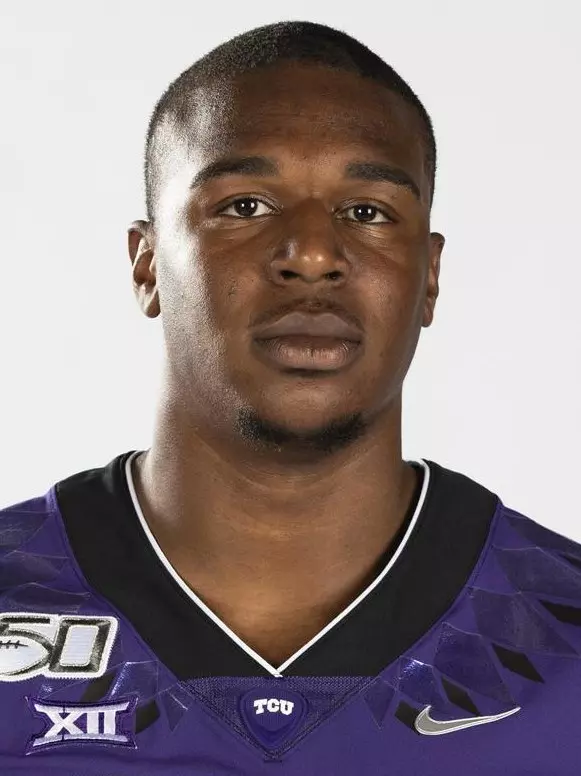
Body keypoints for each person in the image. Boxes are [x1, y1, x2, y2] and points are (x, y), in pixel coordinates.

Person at [0, 19, 579, 776]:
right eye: (244, 206)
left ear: (428, 276)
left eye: (367, 212)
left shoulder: (561, 630)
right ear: (146, 266)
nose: (311, 254)